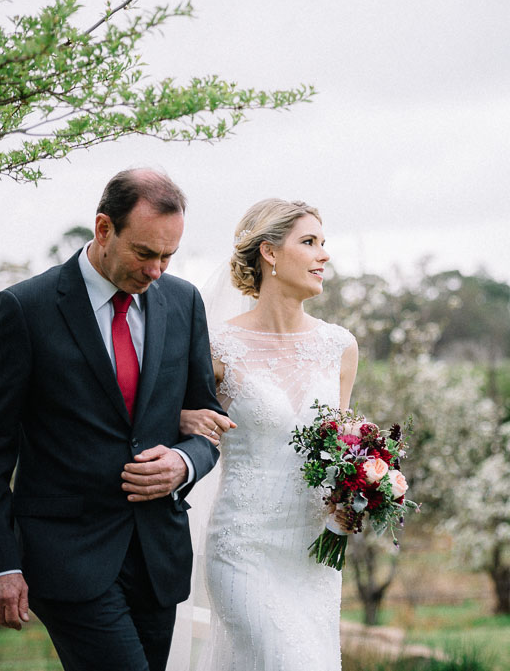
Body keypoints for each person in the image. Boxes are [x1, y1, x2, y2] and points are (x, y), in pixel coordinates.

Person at [0, 169, 228, 671]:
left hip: (157, 558)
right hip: (66, 557)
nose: (156, 270)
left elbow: (208, 419)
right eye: (144, 253)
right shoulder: (25, 308)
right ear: (103, 229)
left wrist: (183, 464)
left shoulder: (184, 301)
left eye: (168, 256)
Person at [176, 198, 358, 671]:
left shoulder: (340, 347)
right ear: (270, 253)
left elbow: (341, 450)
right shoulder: (216, 348)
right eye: (310, 242)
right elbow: (174, 424)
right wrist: (184, 420)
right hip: (244, 548)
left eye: (324, 243)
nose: (324, 255)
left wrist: (361, 492)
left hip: (315, 551)